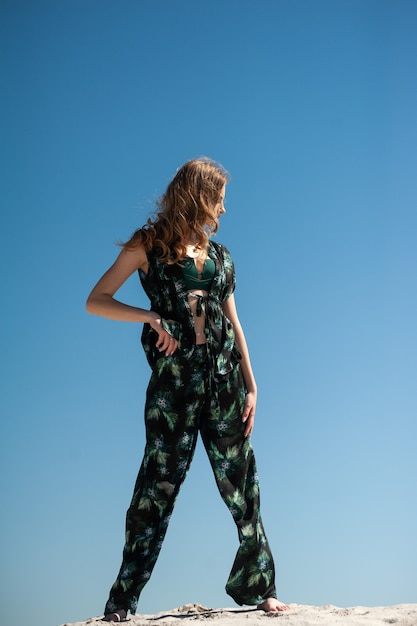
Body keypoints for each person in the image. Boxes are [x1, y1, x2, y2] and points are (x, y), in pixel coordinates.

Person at [86, 158, 289, 621]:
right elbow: (96, 300)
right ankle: (122, 603)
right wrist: (149, 315)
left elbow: (236, 325)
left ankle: (264, 589)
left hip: (224, 384)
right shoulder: (149, 244)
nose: (223, 207)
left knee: (241, 480)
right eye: (219, 196)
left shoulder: (222, 259)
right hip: (173, 387)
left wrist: (253, 387)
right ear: (199, 194)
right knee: (155, 491)